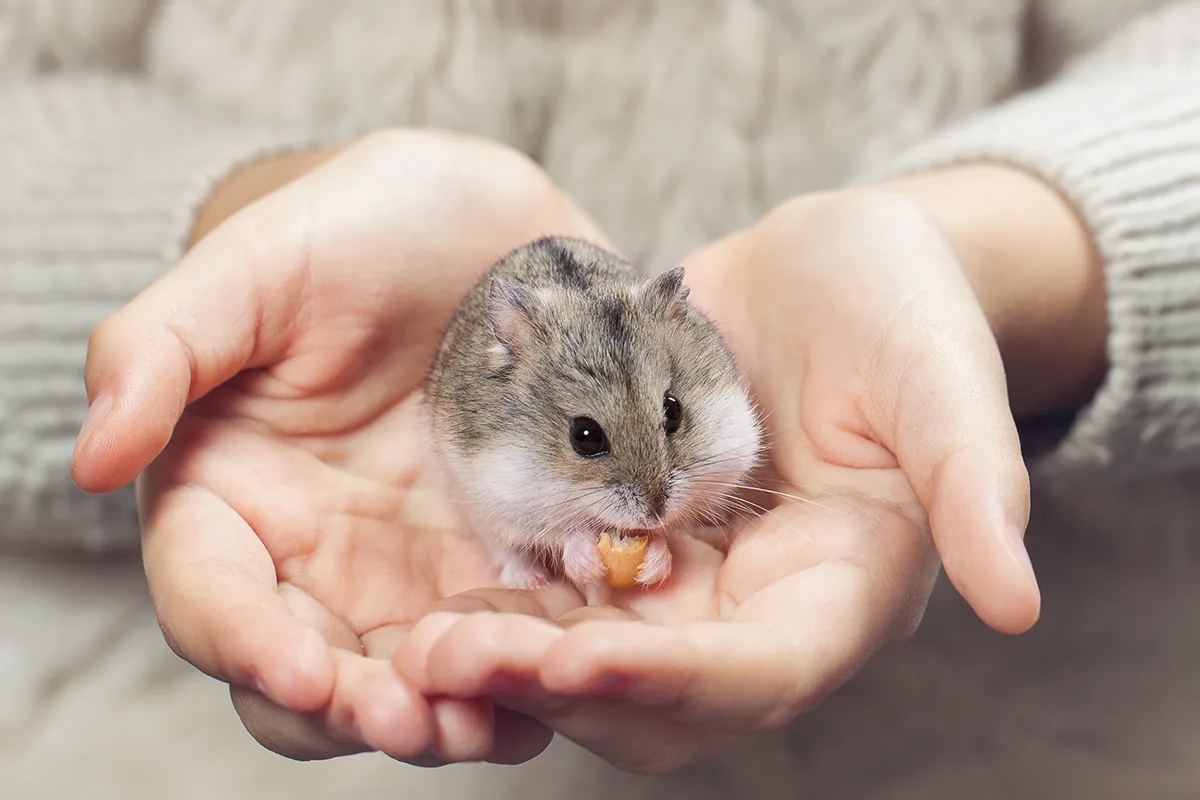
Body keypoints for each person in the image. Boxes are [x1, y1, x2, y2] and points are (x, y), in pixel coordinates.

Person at [5, 0, 1200, 778]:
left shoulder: (693, 372)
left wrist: (995, 263)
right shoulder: (482, 406)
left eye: (672, 427)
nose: (651, 489)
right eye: (591, 443)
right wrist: (238, 241)